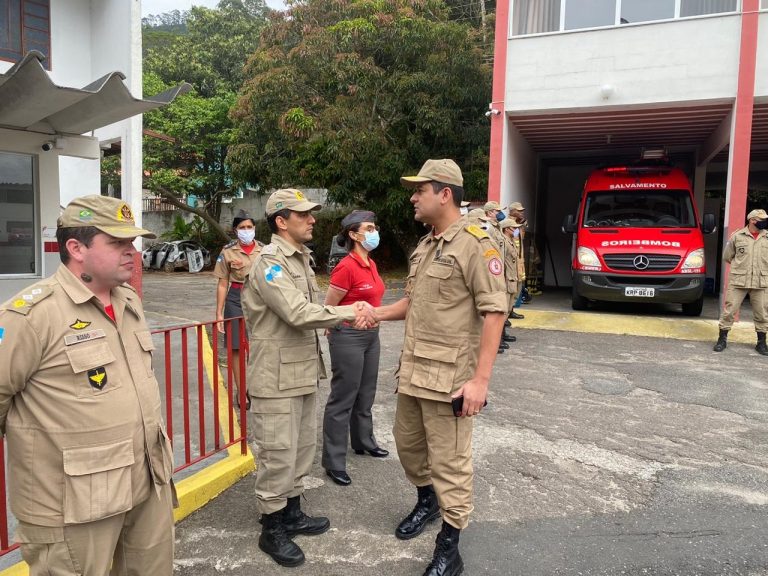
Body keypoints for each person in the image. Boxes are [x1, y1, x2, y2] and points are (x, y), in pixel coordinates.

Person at [0, 195, 175, 575]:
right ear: (76, 248)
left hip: (146, 478)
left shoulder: (128, 300)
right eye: (118, 243)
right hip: (74, 504)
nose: (132, 252)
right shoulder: (31, 315)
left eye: (132, 243)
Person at [374, 159, 507, 576]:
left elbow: (495, 311)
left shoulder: (476, 242)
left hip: (450, 379)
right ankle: (427, 500)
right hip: (414, 371)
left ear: (444, 193)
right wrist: (370, 313)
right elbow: (412, 304)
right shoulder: (427, 245)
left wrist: (480, 381)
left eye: (420, 190)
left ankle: (450, 546)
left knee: (450, 463)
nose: (413, 198)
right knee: (408, 446)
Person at [240, 189, 376, 567]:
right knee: (277, 452)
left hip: (299, 370)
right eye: (303, 215)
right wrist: (348, 312)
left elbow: (312, 309)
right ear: (281, 221)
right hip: (275, 376)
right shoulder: (270, 262)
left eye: (311, 214)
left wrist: (339, 312)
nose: (312, 219)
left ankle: (292, 512)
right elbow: (298, 313)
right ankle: (272, 527)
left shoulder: (300, 259)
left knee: (300, 449)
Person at [322, 210, 387, 487]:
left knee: (366, 392)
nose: (374, 232)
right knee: (343, 397)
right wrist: (333, 327)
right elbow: (330, 306)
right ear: (353, 234)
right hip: (348, 336)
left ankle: (363, 441)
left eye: (374, 227)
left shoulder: (369, 263)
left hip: (371, 335)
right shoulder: (346, 266)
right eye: (369, 228)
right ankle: (334, 461)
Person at [214, 209, 261, 409]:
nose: (246, 231)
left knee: (260, 345)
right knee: (236, 347)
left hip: (260, 300)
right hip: (235, 299)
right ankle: (241, 392)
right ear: (236, 230)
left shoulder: (266, 250)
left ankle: (258, 389)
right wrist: (218, 312)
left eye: (250, 227)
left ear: (255, 228)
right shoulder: (227, 251)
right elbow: (222, 283)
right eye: (242, 228)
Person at [713, 208, 768, 355]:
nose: (764, 222)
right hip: (739, 280)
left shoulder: (767, 237)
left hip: (761, 281)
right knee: (729, 310)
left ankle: (761, 343)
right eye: (761, 220)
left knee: (762, 313)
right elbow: (727, 256)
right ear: (752, 220)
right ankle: (722, 339)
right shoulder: (737, 236)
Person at [468, 208, 513, 353]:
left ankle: (493, 342)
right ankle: (487, 344)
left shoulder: (488, 235)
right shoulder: (469, 241)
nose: (484, 225)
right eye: (481, 222)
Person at [500, 218, 524, 335]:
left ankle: (503, 334)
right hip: (506, 279)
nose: (516, 230)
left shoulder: (511, 241)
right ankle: (500, 337)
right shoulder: (503, 242)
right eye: (513, 228)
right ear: (506, 229)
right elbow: (502, 261)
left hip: (512, 278)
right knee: (503, 310)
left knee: (508, 308)